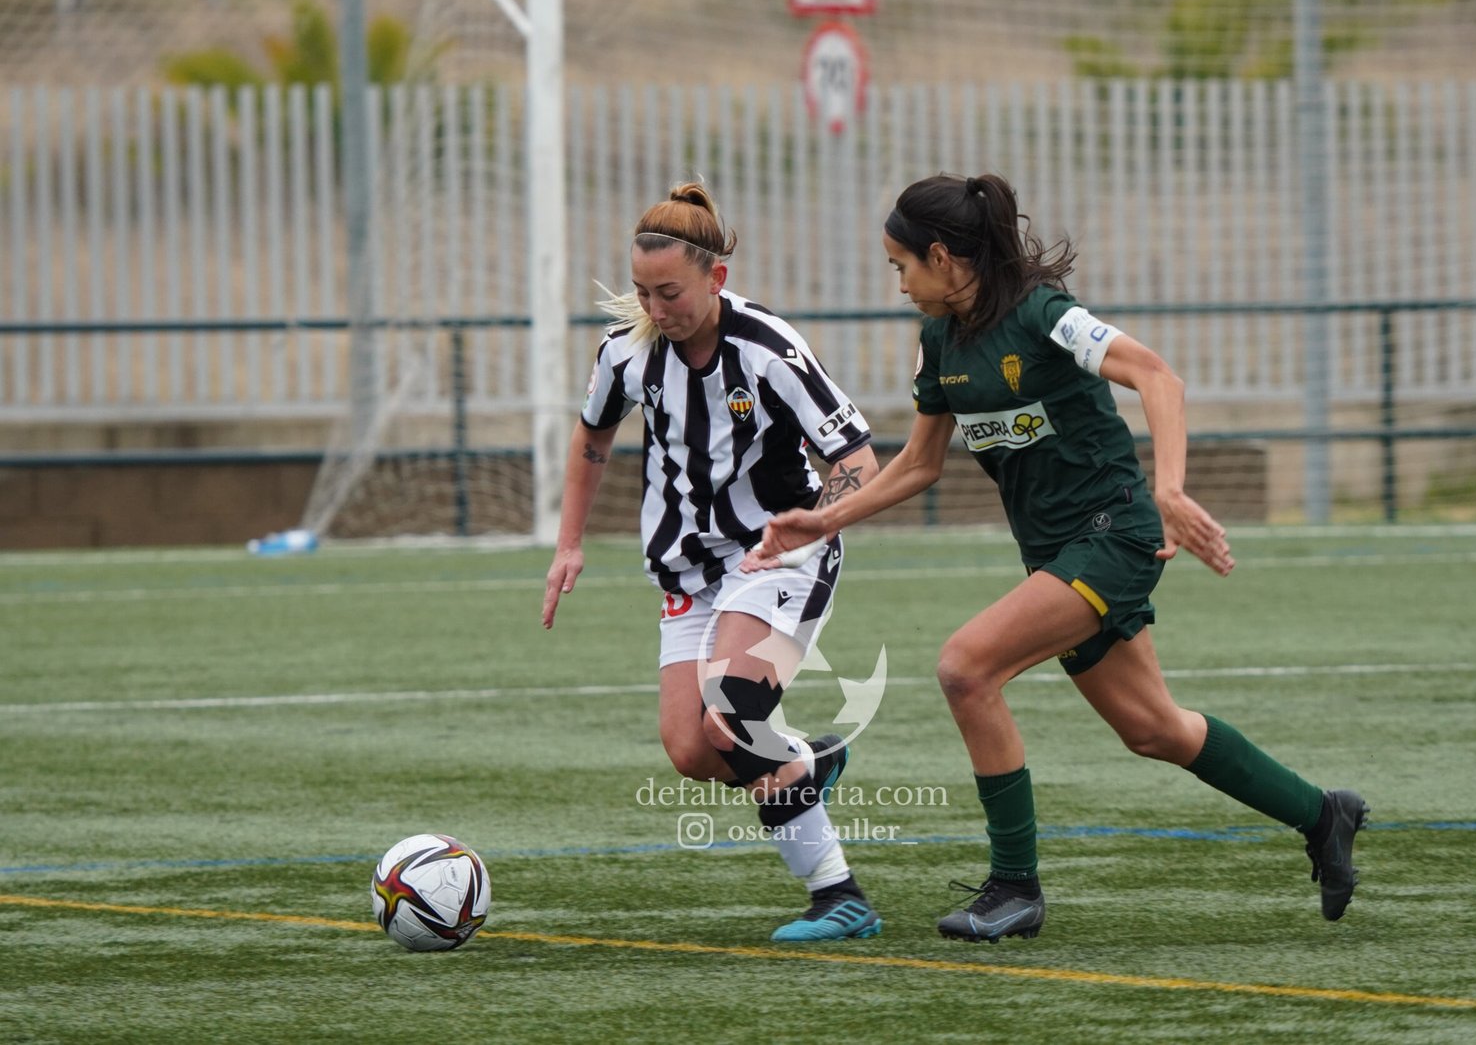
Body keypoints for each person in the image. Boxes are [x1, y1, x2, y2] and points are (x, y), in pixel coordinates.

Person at [748, 172, 1368, 942]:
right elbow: (918, 464)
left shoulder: (1045, 315)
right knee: (1154, 728)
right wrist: (825, 518)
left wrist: (1170, 488)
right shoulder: (939, 342)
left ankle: (1015, 886)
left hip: (1112, 535)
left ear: (942, 257)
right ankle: (1323, 814)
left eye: (901, 265)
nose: (899, 282)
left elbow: (1156, 375)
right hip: (1057, 553)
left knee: (966, 667)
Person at [542, 182, 884, 941]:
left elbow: (858, 458)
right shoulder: (628, 352)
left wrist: (820, 521)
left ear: (715, 278)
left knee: (733, 719)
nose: (656, 309)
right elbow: (591, 438)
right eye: (642, 291)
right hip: (688, 573)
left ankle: (840, 896)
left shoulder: (768, 350)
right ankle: (802, 762)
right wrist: (569, 542)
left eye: (669, 293)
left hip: (776, 559)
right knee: (691, 748)